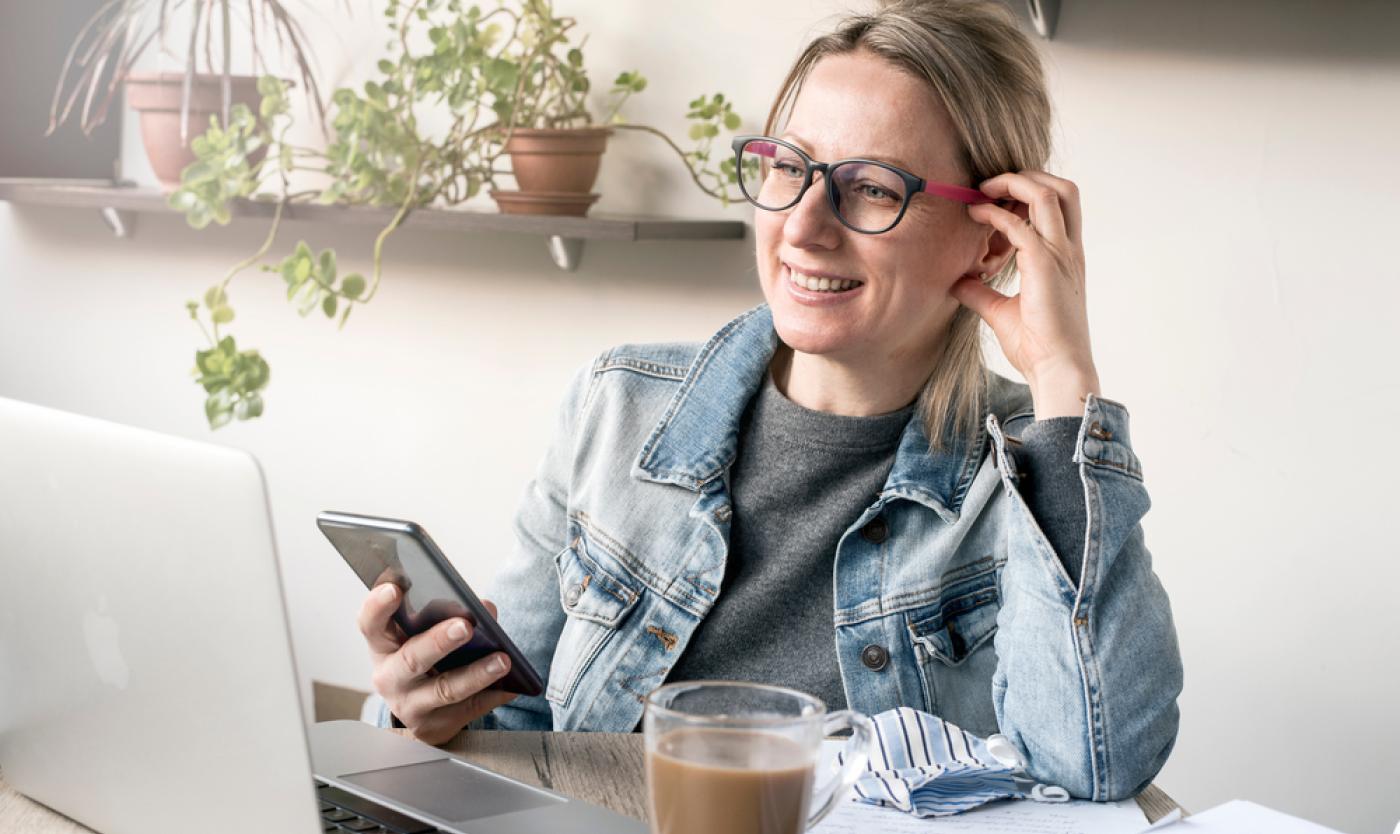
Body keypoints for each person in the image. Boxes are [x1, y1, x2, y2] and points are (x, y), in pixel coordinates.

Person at [356, 0, 1183, 801]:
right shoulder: (617, 405)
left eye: (870, 187)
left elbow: (1092, 767)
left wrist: (1064, 380)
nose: (805, 226)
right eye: (789, 167)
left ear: (994, 235)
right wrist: (418, 714)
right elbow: (516, 723)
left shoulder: (1027, 472)